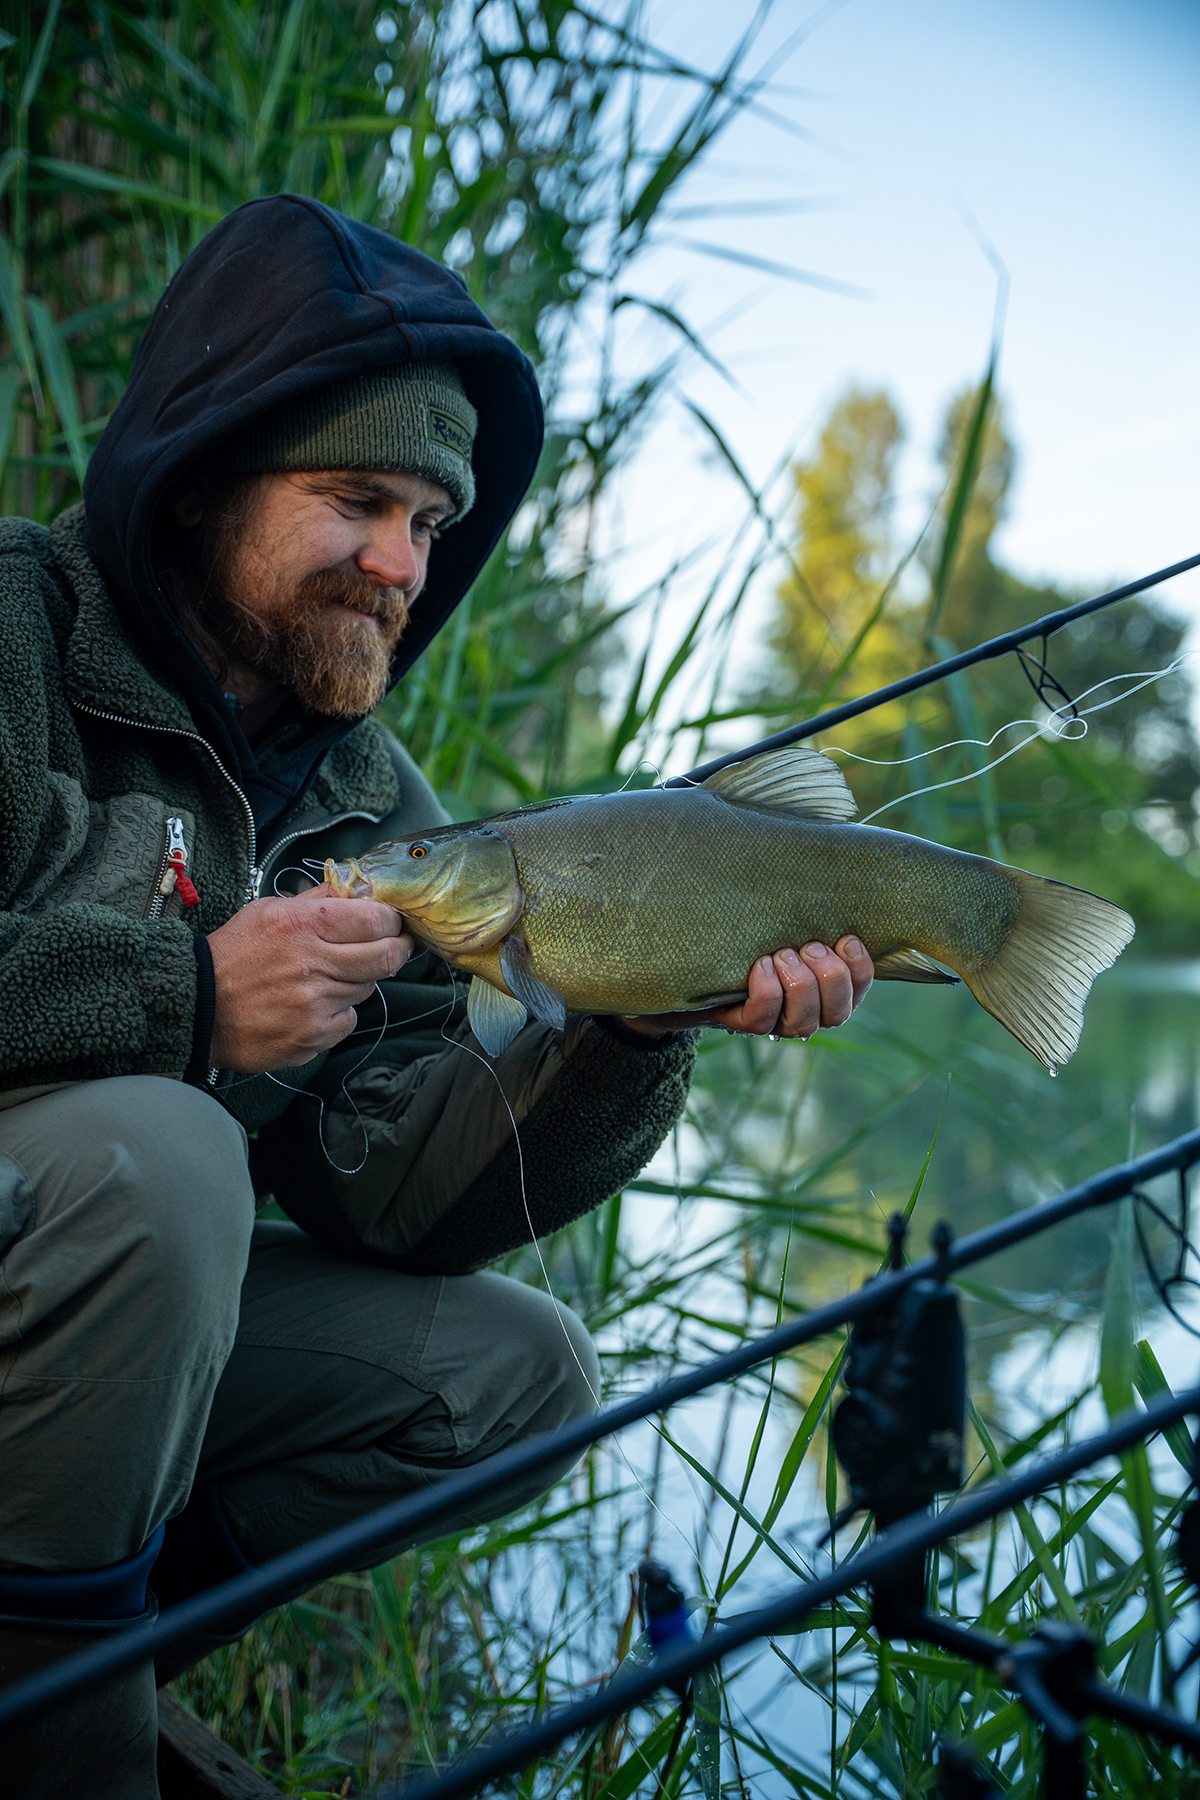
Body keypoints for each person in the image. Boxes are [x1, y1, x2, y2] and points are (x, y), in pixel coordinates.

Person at [0, 194, 873, 1795]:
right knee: (165, 1154)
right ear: (205, 478)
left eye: (431, 520)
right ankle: (75, 1750)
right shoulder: (15, 628)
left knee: (517, 1374)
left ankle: (58, 1661)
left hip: (73, 1350)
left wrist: (628, 1019)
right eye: (358, 501)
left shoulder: (374, 807)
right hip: (58, 1237)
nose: (405, 563)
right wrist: (184, 999)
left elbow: (390, 1201)